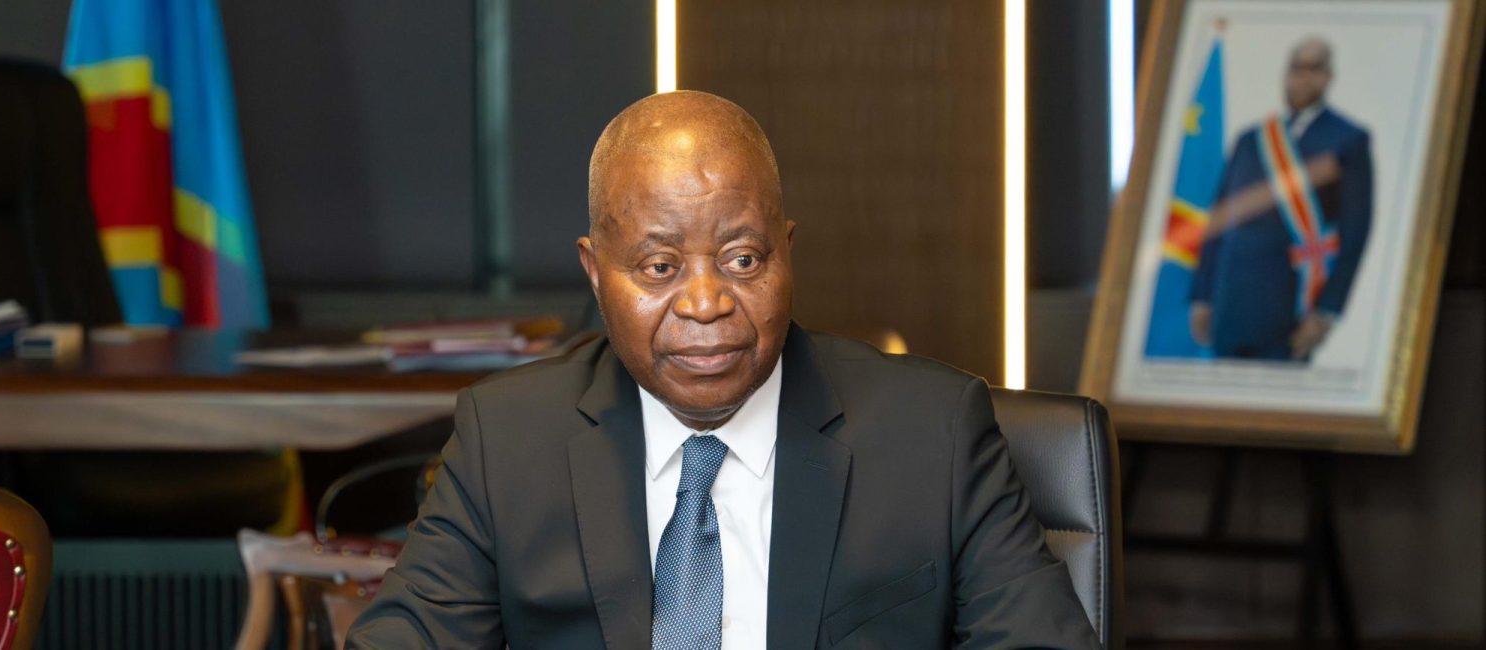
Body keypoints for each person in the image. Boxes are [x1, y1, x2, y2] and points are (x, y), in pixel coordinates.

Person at [346, 91, 1099, 649]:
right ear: (596, 273)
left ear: (786, 254)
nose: (706, 303)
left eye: (742, 259)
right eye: (659, 266)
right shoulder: (507, 440)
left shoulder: (933, 433)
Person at [1190, 36, 1373, 361]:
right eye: (1295, 69)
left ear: (1328, 76)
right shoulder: (1251, 140)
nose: (1302, 78)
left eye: (1313, 69)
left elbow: (1355, 232)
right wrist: (1203, 295)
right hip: (1230, 301)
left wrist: (1326, 310)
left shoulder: (1348, 139)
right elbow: (1218, 221)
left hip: (1290, 305)